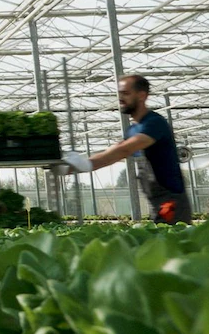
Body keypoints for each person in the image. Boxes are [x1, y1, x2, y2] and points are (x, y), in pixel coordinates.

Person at [55, 74, 192, 224]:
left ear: (141, 96)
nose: (120, 98)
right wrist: (72, 167)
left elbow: (124, 150)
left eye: (126, 93)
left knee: (171, 243)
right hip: (156, 202)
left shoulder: (154, 123)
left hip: (171, 202)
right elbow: (112, 154)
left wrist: (85, 164)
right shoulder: (132, 130)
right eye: (119, 94)